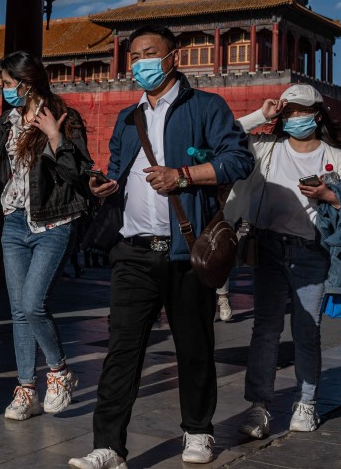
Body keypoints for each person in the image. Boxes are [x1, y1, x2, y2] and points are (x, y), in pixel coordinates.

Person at [69, 25, 253, 469]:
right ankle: (109, 446)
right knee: (122, 350)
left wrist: (184, 175)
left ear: (173, 57)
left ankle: (198, 431)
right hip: (132, 250)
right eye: (134, 56)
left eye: (149, 53)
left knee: (193, 347)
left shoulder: (206, 107)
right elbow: (117, 168)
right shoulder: (126, 118)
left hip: (185, 250)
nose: (140, 63)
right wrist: (104, 185)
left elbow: (239, 159)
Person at [226, 85, 341, 440]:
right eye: (288, 111)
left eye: (301, 111)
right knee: (266, 330)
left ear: (316, 115)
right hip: (269, 247)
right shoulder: (264, 148)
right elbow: (223, 136)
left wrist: (327, 195)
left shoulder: (335, 156)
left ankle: (306, 402)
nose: (294, 118)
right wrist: (262, 115)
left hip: (312, 251)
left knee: (307, 330)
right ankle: (259, 406)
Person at [0, 51, 94, 421]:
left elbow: (77, 173)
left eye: (7, 84)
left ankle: (59, 372)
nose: (4, 90)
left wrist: (54, 135)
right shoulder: (6, 122)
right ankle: (25, 388)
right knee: (19, 312)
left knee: (34, 303)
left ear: (26, 82)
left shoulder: (65, 116)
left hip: (54, 222)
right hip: (14, 222)